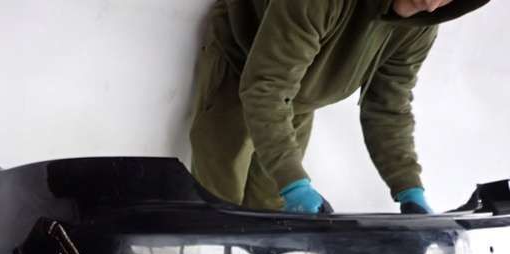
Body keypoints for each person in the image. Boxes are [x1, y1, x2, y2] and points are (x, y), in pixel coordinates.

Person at [189, 0, 491, 214]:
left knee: (273, 208)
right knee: (221, 200)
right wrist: (294, 183)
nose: (433, 2)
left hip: (299, 97)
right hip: (242, 66)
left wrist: (408, 186)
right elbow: (267, 86)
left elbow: (388, 106)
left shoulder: (420, 28)